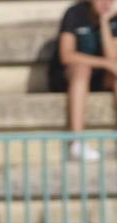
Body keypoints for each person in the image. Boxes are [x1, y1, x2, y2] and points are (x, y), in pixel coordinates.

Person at [48, 0, 117, 160]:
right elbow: (66, 56)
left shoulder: (113, 18)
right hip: (69, 77)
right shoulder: (74, 13)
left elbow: (113, 58)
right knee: (82, 69)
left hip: (100, 77)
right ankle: (76, 143)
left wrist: (104, 22)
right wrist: (105, 63)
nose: (105, 3)